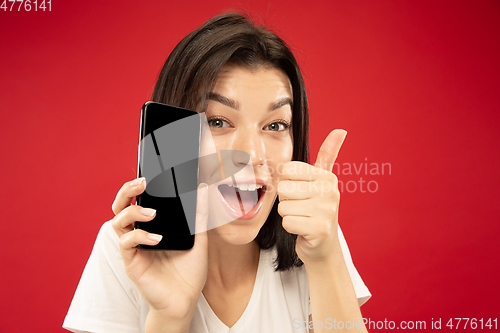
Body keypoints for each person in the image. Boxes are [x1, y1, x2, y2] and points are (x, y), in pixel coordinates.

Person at [63, 12, 371, 333]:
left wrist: (325, 260)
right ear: (172, 135)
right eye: (218, 122)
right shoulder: (126, 248)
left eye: (276, 125)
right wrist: (170, 317)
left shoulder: (313, 238)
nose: (252, 154)